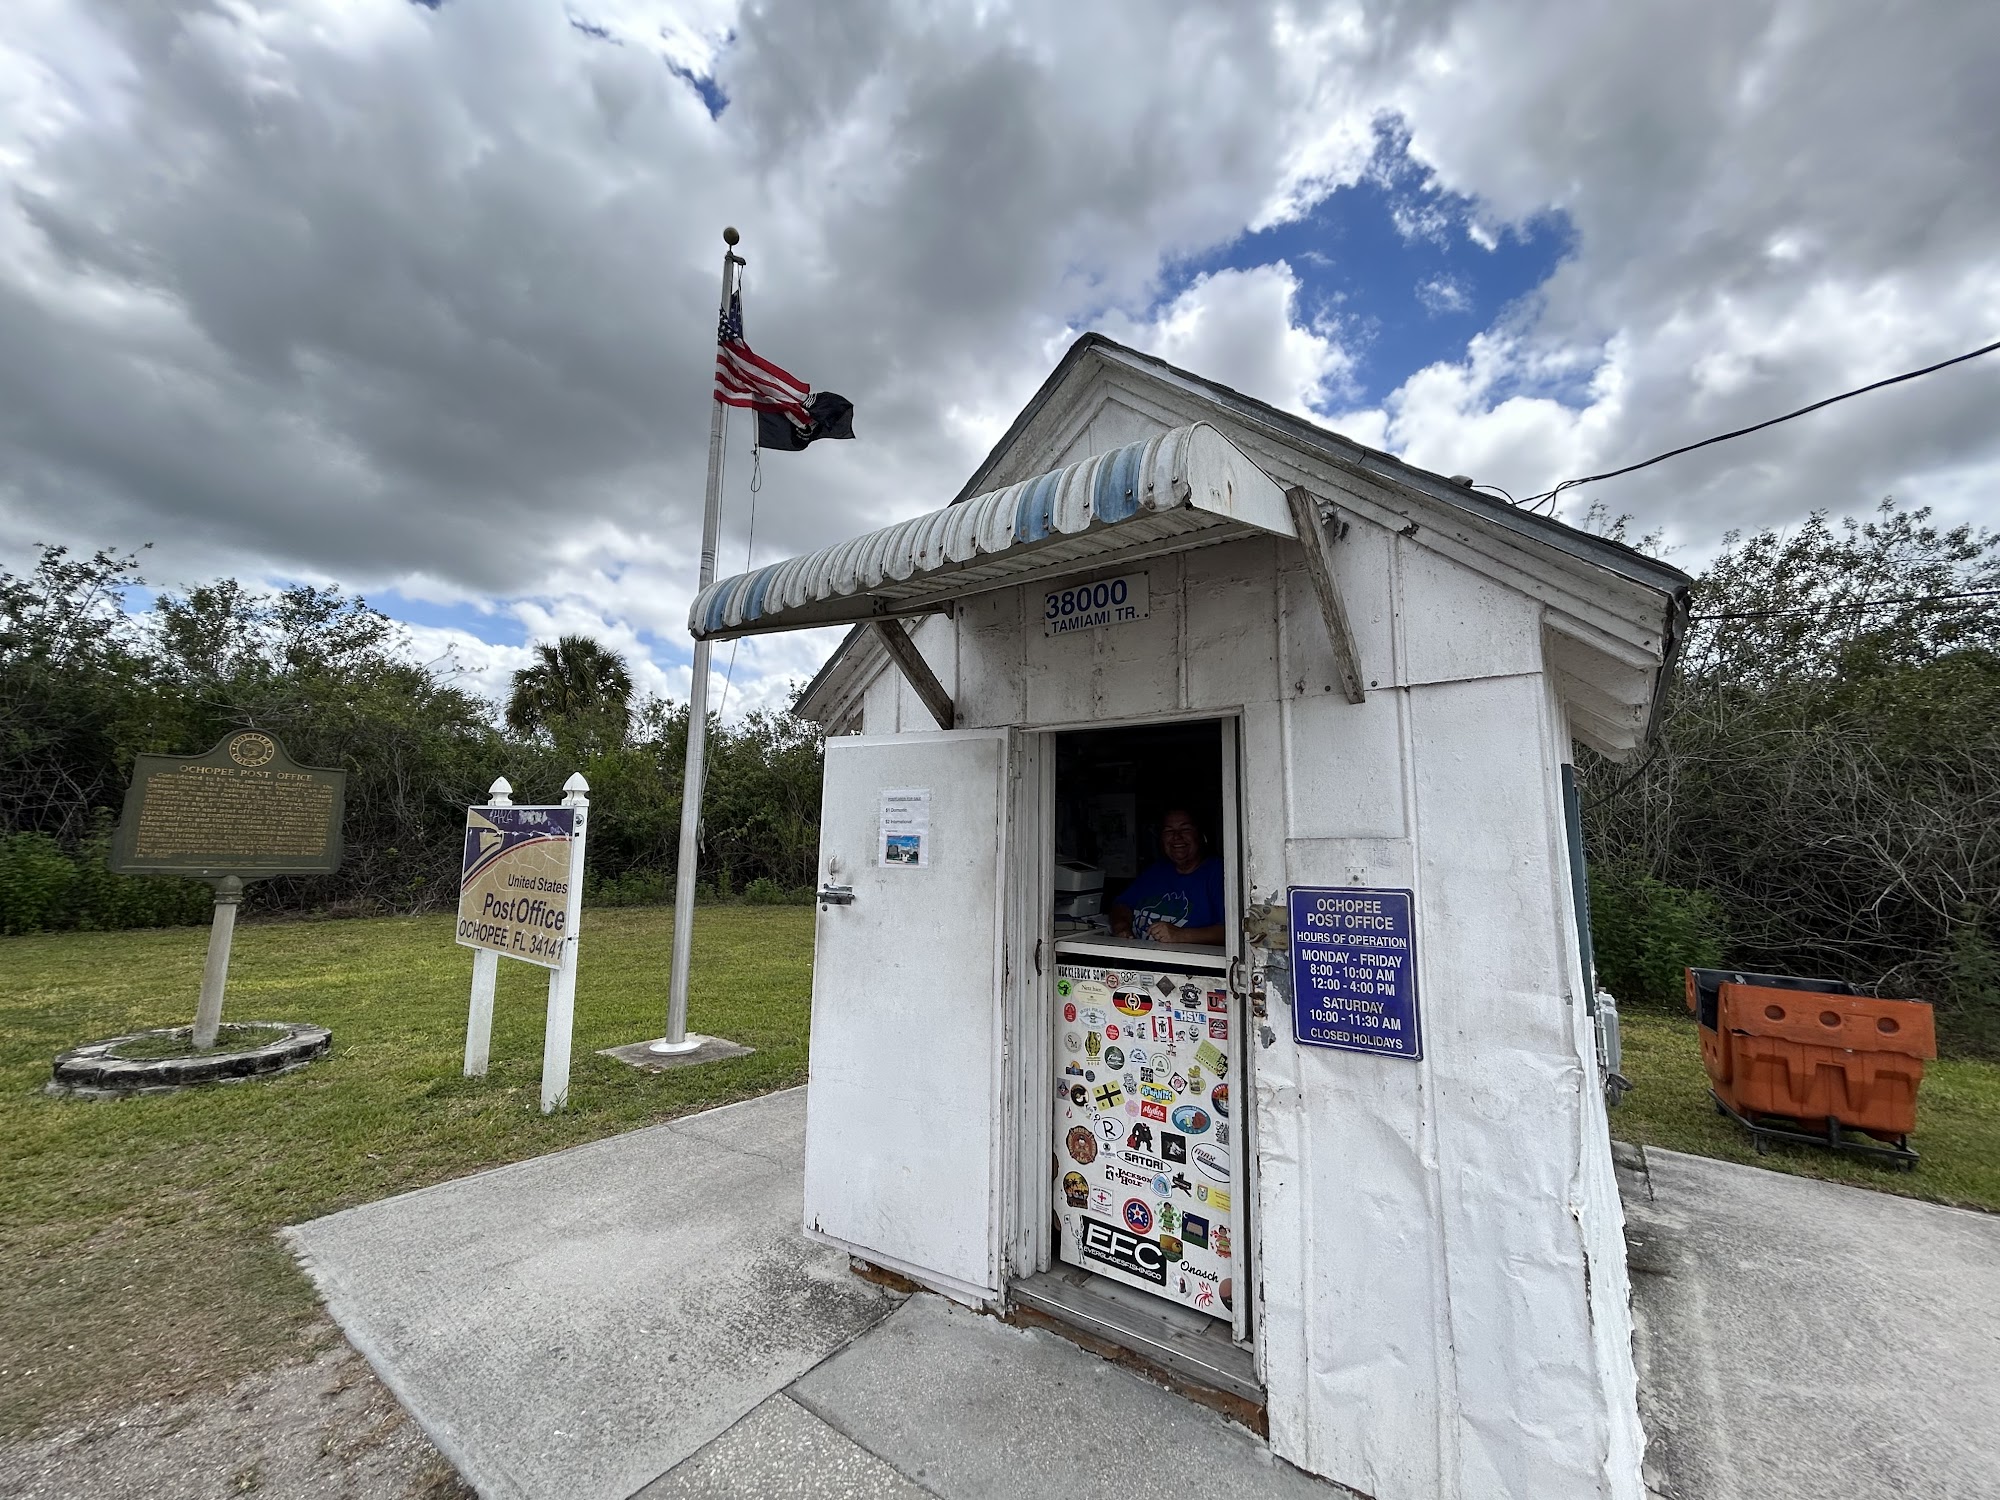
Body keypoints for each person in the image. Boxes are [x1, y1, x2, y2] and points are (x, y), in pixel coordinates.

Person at [1109, 808, 1224, 945]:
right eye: (1169, 831)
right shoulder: (1156, 870)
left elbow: (1235, 931)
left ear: (1201, 835)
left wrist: (1181, 935)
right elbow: (1122, 904)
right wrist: (1121, 927)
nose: (1176, 836)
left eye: (1185, 829)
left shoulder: (1219, 872)